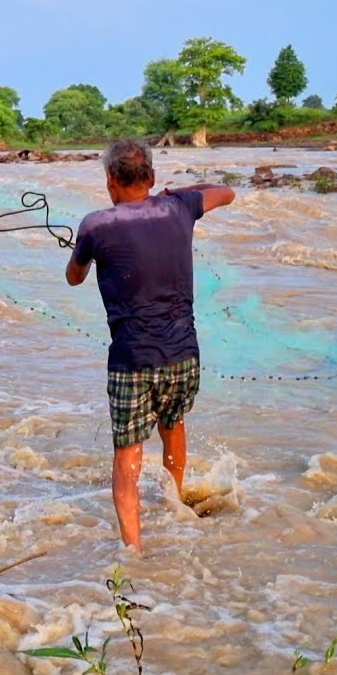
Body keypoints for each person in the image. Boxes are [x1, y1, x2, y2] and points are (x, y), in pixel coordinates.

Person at [65, 140, 235, 554]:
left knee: (127, 453)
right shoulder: (180, 208)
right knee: (172, 426)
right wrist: (176, 194)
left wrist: (83, 256)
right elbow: (226, 192)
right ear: (153, 179)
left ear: (110, 180)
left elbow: (73, 277)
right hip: (183, 355)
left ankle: (133, 550)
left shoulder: (95, 225)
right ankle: (174, 505)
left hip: (131, 361)